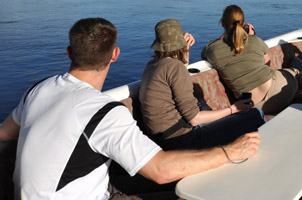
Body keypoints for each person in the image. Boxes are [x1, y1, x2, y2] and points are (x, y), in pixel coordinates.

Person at [0, 18, 260, 200]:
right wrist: (230, 151)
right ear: (115, 55)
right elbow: (161, 171)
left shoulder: (38, 90)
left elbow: (4, 134)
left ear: (69, 52)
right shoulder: (103, 112)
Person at [139, 19, 265, 150]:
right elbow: (194, 119)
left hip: (165, 139)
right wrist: (233, 109)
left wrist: (186, 50)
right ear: (179, 42)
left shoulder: (152, 66)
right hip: (184, 139)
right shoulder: (174, 67)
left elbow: (180, 71)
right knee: (256, 115)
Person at [202, 5, 302, 115]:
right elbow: (268, 63)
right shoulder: (254, 40)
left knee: (282, 94)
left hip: (254, 106)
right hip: (278, 92)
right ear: (243, 24)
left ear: (222, 24)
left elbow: (211, 50)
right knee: (295, 72)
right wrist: (251, 37)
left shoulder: (212, 49)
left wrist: (226, 36)